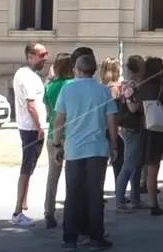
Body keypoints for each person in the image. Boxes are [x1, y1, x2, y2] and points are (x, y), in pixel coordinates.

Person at [52, 54, 118, 249]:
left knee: (72, 194)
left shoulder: (67, 90)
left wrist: (57, 145)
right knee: (95, 195)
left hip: (73, 149)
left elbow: (59, 120)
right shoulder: (102, 91)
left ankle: (70, 238)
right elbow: (111, 121)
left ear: (77, 70)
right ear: (93, 71)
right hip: (97, 148)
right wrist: (113, 145)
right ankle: (96, 236)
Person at [131, 56, 163, 217]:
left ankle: (154, 204)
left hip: (149, 131)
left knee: (152, 169)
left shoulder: (141, 88)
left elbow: (135, 109)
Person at [11, 41, 48, 227]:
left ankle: (22, 204)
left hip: (32, 127)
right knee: (27, 168)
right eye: (42, 55)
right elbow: (31, 105)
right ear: (30, 56)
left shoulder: (31, 76)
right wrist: (39, 127)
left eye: (46, 54)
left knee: (29, 168)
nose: (45, 58)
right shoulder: (25, 76)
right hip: (30, 129)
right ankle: (17, 212)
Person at [42, 52, 73, 228]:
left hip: (53, 133)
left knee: (53, 175)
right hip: (70, 134)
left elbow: (47, 107)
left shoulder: (50, 86)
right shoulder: (72, 85)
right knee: (72, 175)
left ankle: (49, 212)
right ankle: (70, 211)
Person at [115, 54, 146, 211]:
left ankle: (135, 198)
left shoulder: (124, 83)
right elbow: (133, 108)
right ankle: (120, 200)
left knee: (136, 163)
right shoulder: (132, 86)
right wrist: (145, 104)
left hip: (127, 127)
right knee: (129, 164)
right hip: (131, 128)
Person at [100, 58, 124, 186]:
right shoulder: (115, 89)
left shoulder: (100, 87)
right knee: (118, 161)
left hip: (101, 128)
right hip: (115, 128)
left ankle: (99, 191)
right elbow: (114, 113)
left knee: (102, 162)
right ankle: (119, 192)